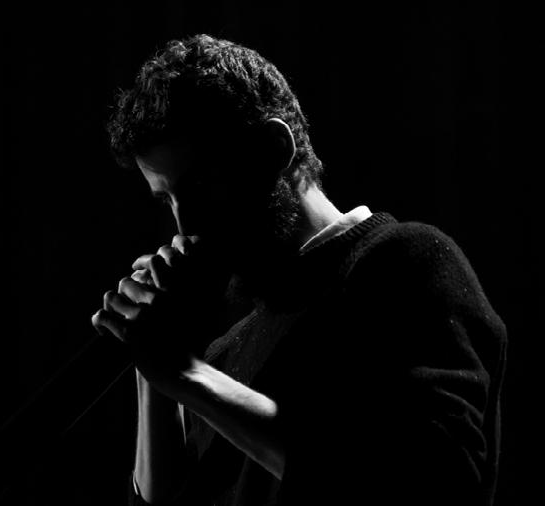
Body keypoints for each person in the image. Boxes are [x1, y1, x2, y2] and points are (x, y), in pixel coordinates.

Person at [91, 34, 507, 506]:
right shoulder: (226, 352)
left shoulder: (404, 262)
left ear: (272, 149)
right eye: (167, 199)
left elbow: (435, 484)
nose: (185, 224)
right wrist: (152, 367)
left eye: (202, 184)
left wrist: (189, 377)